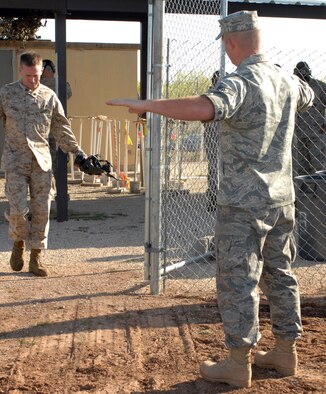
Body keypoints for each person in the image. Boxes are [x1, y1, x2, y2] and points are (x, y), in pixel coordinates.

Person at [107, 10, 314, 388]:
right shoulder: (286, 78)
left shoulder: (242, 81)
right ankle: (286, 352)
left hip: (242, 204)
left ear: (231, 42)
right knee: (281, 275)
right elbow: (308, 95)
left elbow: (206, 107)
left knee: (238, 281)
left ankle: (238, 362)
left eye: (224, 44)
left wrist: (148, 105)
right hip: (282, 200)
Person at [0, 51, 86, 277]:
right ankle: (18, 243)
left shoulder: (49, 97)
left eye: (37, 75)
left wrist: (78, 154)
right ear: (20, 70)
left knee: (42, 211)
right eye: (30, 75)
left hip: (41, 163)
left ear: (42, 71)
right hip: (15, 161)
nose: (34, 80)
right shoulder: (5, 94)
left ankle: (36, 257)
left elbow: (62, 129)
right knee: (19, 211)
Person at [40, 59, 73, 197]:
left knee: (44, 163)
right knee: (60, 162)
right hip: (58, 129)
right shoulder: (62, 84)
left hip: (43, 129)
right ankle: (62, 193)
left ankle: (47, 192)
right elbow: (68, 94)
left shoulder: (38, 84)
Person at [293, 61, 326, 176]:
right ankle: (305, 192)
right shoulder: (294, 87)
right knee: (302, 167)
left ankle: (321, 192)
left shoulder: (319, 87)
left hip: (317, 132)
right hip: (299, 133)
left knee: (319, 165)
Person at [204, 70, 220, 211]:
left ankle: (217, 197)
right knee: (214, 168)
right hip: (213, 138)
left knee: (218, 168)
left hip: (222, 138)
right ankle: (214, 197)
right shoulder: (210, 95)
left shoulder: (225, 95)